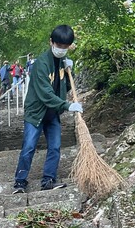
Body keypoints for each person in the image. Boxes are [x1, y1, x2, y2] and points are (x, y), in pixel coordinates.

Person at [12, 25, 83, 194]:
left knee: (55, 146)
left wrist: (67, 73)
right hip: (36, 112)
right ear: (51, 42)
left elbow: (63, 88)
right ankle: (20, 182)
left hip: (52, 114)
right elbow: (46, 93)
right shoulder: (41, 64)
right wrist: (67, 105)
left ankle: (48, 180)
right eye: (59, 46)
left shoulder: (62, 63)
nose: (61, 50)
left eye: (65, 47)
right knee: (29, 146)